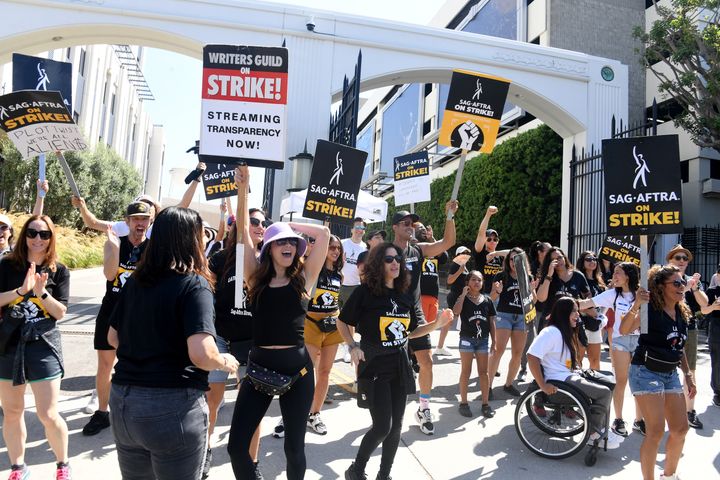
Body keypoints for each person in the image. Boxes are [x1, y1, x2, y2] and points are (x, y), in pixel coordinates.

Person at [107, 206, 239, 480]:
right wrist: (224, 361)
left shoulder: (135, 282)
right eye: (202, 234)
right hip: (172, 406)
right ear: (190, 238)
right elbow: (201, 353)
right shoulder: (194, 285)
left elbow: (112, 337)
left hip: (122, 403)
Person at [228, 166, 329, 480]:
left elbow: (323, 235)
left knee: (294, 450)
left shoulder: (305, 280)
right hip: (258, 369)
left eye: (293, 242)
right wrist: (243, 192)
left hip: (298, 372)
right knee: (235, 447)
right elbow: (243, 234)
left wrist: (283, 225)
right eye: (279, 241)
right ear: (269, 248)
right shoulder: (254, 280)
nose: (288, 245)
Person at [338, 243, 452, 480]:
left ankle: (384, 475)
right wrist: (352, 346)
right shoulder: (365, 292)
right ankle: (356, 470)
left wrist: (436, 325)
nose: (395, 263)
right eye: (389, 259)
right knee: (382, 427)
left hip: (400, 366)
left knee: (395, 428)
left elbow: (410, 332)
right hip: (374, 366)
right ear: (378, 264)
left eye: (398, 259)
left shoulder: (405, 295)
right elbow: (342, 321)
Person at [0, 215, 71, 479]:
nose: (37, 239)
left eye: (44, 234)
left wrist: (41, 293)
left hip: (43, 345)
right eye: (32, 233)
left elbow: (60, 312)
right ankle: (18, 467)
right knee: (12, 411)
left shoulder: (59, 270)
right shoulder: (7, 266)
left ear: (51, 237)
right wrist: (21, 291)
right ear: (24, 235)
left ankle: (62, 464)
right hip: (9, 344)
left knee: (48, 413)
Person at [82, 201, 152, 436]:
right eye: (136, 219)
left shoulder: (154, 249)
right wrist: (113, 249)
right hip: (111, 310)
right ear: (127, 221)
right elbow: (110, 275)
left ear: (149, 222)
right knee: (105, 365)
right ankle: (102, 412)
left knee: (139, 363)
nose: (140, 223)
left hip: (139, 314)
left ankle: (136, 412)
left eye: (144, 219)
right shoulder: (114, 243)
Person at [205, 212, 265, 478]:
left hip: (252, 342)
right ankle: (204, 451)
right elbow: (205, 292)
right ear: (240, 226)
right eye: (254, 221)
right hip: (221, 338)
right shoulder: (220, 258)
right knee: (211, 400)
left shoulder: (267, 259)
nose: (260, 226)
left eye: (264, 222)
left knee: (252, 408)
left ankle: (252, 464)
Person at [391, 202, 457, 436]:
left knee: (427, 361)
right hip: (390, 315)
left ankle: (424, 408)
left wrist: (449, 216)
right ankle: (385, 412)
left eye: (413, 224)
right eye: (406, 224)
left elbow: (446, 243)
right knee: (391, 367)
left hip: (415, 314)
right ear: (395, 227)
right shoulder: (387, 252)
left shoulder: (418, 250)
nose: (411, 227)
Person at [624, 265, 694, 480]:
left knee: (681, 429)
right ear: (661, 287)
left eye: (682, 282)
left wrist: (688, 374)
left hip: (669, 372)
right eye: (676, 283)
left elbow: (678, 346)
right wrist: (637, 304)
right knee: (655, 431)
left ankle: (669, 476)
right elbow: (624, 329)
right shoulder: (650, 310)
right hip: (645, 371)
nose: (682, 286)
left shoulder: (681, 312)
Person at [527, 296, 623, 449]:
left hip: (569, 375)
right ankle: (593, 433)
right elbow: (532, 356)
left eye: (578, 311)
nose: (578, 315)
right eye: (574, 312)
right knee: (603, 393)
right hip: (559, 382)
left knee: (609, 382)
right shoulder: (550, 332)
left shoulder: (565, 331)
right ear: (563, 313)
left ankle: (599, 427)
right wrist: (543, 385)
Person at [578, 262, 644, 437]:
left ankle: (639, 420)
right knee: (620, 381)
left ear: (628, 276)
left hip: (641, 341)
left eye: (617, 273)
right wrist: (565, 303)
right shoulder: (612, 294)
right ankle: (619, 419)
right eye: (614, 272)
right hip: (619, 341)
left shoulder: (641, 294)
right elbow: (586, 303)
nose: (613, 276)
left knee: (639, 381)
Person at [304, 234, 345, 435]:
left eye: (338, 248)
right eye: (331, 247)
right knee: (304, 372)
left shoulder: (340, 275)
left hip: (332, 328)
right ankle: (295, 413)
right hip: (311, 324)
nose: (335, 251)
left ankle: (315, 414)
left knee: (325, 372)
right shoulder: (312, 269)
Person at [665, 244, 707, 429]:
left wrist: (694, 288)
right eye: (678, 258)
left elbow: (705, 306)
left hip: (689, 330)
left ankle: (690, 411)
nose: (682, 261)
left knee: (690, 371)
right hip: (667, 331)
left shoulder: (692, 281)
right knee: (665, 371)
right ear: (670, 261)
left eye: (685, 258)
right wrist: (684, 288)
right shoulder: (662, 279)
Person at [488, 248, 534, 397]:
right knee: (498, 351)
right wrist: (498, 291)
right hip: (504, 315)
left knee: (518, 353)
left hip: (521, 317)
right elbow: (491, 298)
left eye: (517, 259)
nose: (514, 262)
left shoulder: (528, 277)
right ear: (508, 262)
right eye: (511, 259)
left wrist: (532, 291)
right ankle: (487, 386)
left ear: (523, 261)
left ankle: (508, 384)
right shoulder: (501, 276)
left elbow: (534, 301)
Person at [454, 270, 496, 418]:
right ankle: (464, 403)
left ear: (483, 282)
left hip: (483, 340)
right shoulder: (463, 298)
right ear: (468, 282)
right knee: (466, 371)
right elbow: (456, 312)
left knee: (483, 373)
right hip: (466, 338)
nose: (476, 282)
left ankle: (485, 404)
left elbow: (491, 322)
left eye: (479, 280)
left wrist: (494, 342)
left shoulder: (487, 300)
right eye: (473, 279)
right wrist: (463, 295)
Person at [536, 247, 590, 361]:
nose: (558, 261)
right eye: (554, 259)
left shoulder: (577, 275)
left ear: (564, 258)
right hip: (551, 318)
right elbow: (541, 298)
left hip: (573, 317)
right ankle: (545, 374)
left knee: (581, 345)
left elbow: (588, 296)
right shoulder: (548, 276)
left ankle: (573, 369)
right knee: (548, 349)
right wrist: (549, 275)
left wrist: (586, 308)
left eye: (560, 257)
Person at [413, 223, 449, 354]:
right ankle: (416, 355)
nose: (423, 229)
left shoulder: (432, 247)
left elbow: (444, 258)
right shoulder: (414, 248)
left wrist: (432, 239)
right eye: (419, 228)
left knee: (428, 327)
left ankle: (420, 355)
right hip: (419, 295)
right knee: (419, 328)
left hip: (433, 295)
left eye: (424, 228)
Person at [339, 218, 368, 363]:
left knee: (350, 319)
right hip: (339, 284)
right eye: (356, 227)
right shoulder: (343, 243)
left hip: (356, 286)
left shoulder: (365, 248)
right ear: (351, 229)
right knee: (339, 318)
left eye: (362, 228)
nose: (359, 230)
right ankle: (345, 345)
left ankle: (348, 347)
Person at [575, 251, 608, 370]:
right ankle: (574, 384)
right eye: (588, 259)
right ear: (582, 262)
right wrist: (591, 313)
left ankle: (595, 385)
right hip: (580, 323)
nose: (592, 261)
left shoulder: (599, 282)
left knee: (595, 360)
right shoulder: (577, 279)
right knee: (577, 359)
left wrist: (600, 317)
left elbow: (604, 303)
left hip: (594, 324)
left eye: (594, 259)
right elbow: (575, 301)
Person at [472, 206, 509, 294]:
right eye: (489, 239)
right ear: (485, 241)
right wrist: (488, 214)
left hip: (497, 294)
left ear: (498, 241)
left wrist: (495, 253)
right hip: (482, 294)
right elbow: (481, 234)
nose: (492, 241)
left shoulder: (500, 256)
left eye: (495, 239)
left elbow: (515, 253)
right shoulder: (480, 253)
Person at [443, 246, 472, 354]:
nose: (465, 255)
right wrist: (459, 271)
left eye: (467, 253)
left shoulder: (464, 266)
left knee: (465, 321)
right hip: (455, 297)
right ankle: (440, 346)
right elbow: (449, 280)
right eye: (463, 253)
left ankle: (465, 346)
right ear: (457, 255)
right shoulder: (456, 265)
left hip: (463, 297)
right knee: (449, 321)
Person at [702, 280, 720, 407]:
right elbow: (704, 311)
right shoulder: (712, 291)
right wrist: (713, 306)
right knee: (717, 360)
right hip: (717, 326)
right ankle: (718, 392)